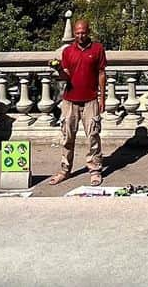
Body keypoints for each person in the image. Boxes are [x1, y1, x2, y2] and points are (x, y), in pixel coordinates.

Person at [48, 18, 107, 186]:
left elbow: (101, 73)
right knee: (67, 137)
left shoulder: (97, 49)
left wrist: (102, 97)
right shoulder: (68, 52)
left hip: (90, 100)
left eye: (83, 33)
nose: (80, 36)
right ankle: (65, 170)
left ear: (88, 32)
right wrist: (58, 69)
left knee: (93, 137)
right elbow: (65, 77)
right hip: (70, 100)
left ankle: (95, 169)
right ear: (74, 33)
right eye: (77, 33)